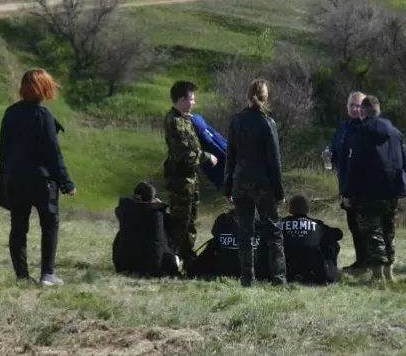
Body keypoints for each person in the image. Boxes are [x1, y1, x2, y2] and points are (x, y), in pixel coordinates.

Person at [0, 68, 76, 287]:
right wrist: (67, 183)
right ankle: (47, 275)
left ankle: (22, 276)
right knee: (49, 225)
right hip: (41, 181)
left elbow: (2, 150)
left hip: (15, 179)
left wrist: (6, 173)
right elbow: (53, 153)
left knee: (18, 227)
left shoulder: (10, 113)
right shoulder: (44, 116)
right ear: (44, 88)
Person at [343, 95, 406, 282]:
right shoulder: (396, 133)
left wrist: (348, 192)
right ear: (379, 110)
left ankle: (377, 275)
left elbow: (355, 165)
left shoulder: (361, 132)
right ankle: (389, 272)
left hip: (367, 191)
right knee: (388, 230)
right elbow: (405, 162)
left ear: (363, 112)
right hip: (391, 191)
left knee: (371, 232)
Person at [224, 79, 287, 287]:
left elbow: (230, 155)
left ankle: (247, 279)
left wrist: (227, 185)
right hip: (262, 184)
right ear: (265, 97)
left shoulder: (236, 121)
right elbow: (274, 160)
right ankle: (278, 279)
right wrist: (279, 190)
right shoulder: (267, 123)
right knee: (273, 233)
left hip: (240, 182)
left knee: (244, 234)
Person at [163, 80, 219, 268]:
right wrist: (207, 157)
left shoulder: (186, 119)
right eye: (192, 99)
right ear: (181, 99)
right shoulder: (176, 122)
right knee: (181, 221)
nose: (194, 103)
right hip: (180, 179)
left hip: (190, 178)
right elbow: (184, 154)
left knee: (190, 220)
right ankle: (171, 259)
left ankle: (188, 259)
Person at [327, 91, 367, 270]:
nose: (355, 109)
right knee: (353, 224)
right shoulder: (343, 126)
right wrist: (329, 152)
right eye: (352, 105)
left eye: (359, 105)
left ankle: (369, 262)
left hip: (362, 186)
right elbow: (337, 148)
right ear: (347, 106)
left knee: (364, 225)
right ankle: (361, 260)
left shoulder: (367, 127)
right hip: (344, 181)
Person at [112, 181, 182, 278]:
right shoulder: (156, 215)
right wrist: (160, 207)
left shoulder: (125, 211)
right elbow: (164, 237)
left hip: (124, 264)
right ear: (152, 197)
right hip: (151, 267)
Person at [280, 195, 343, 285]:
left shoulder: (280, 224)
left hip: (287, 269)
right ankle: (329, 273)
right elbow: (338, 234)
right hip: (313, 270)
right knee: (332, 243)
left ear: (290, 210)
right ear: (307, 209)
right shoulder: (317, 225)